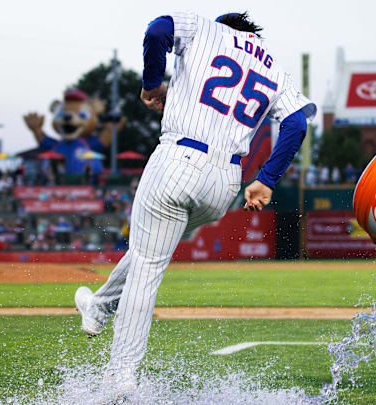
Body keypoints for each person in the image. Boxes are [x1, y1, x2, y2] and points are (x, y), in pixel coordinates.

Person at [73, 10, 316, 394]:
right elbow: (298, 122)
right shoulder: (274, 70)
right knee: (149, 250)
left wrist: (152, 84)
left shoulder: (207, 28)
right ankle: (100, 306)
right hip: (224, 184)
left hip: (179, 158)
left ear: (225, 26)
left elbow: (157, 30)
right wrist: (267, 179)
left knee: (148, 266)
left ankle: (121, 374)